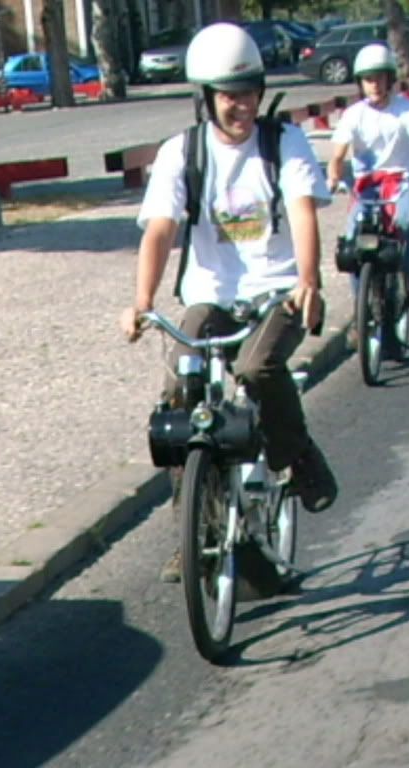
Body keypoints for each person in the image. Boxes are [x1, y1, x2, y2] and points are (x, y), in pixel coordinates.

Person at [119, 22, 339, 582]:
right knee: (179, 394)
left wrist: (308, 279)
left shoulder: (282, 142)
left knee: (257, 367)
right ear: (206, 98)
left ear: (260, 93)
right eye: (225, 95)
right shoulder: (182, 152)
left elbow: (304, 210)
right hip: (208, 293)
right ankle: (193, 531)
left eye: (245, 93)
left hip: (278, 287)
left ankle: (296, 453)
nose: (237, 106)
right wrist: (142, 301)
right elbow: (161, 231)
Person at [326, 44, 409, 315]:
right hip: (366, 186)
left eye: (379, 77)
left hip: (404, 180)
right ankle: (360, 311)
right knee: (353, 242)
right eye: (368, 79)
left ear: (390, 79)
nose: (374, 84)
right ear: (360, 83)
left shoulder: (407, 110)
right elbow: (338, 154)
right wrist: (333, 177)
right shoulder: (353, 114)